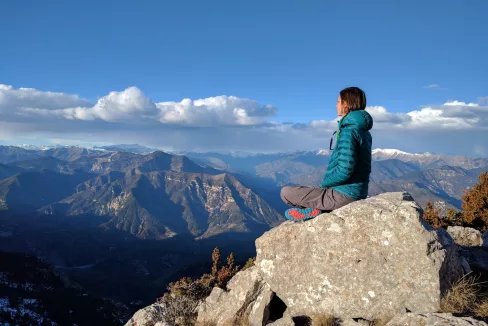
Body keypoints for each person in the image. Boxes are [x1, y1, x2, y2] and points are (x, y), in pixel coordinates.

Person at [280, 87, 373, 221]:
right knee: (304, 191)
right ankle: (314, 209)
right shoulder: (363, 132)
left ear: (346, 104)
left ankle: (314, 210)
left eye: (338, 101)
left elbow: (345, 170)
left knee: (286, 193)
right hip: (357, 191)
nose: (336, 105)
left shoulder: (349, 132)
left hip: (344, 195)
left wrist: (325, 183)